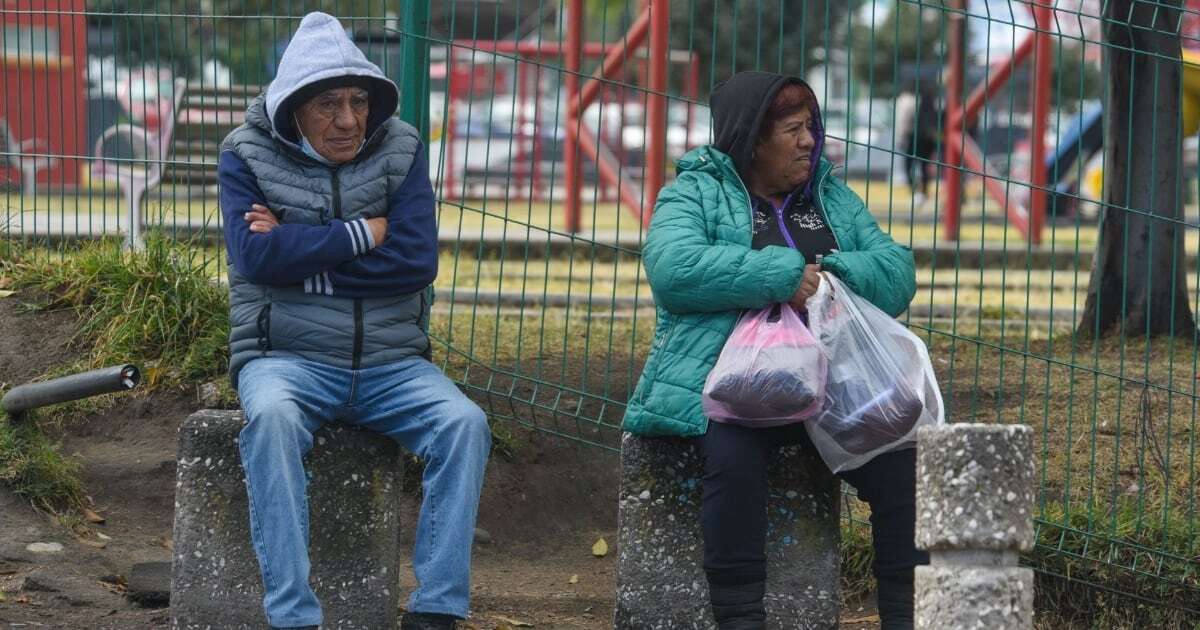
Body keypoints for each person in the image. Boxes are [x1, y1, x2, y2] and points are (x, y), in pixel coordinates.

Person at [623, 71, 929, 630]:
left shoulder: (829, 197)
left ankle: (905, 618)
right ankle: (742, 620)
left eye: (811, 126)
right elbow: (674, 269)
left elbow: (896, 272)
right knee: (733, 464)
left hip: (837, 380)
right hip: (733, 378)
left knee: (902, 462)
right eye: (792, 129)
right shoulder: (697, 191)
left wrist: (833, 270)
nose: (810, 140)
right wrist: (783, 273)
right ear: (751, 139)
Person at [218, 12, 490, 630]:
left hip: (393, 364)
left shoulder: (403, 147)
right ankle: (293, 616)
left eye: (358, 101)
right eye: (328, 105)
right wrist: (363, 233)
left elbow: (415, 262)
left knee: (464, 424)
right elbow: (255, 256)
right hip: (285, 359)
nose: (348, 120)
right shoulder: (245, 154)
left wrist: (303, 256)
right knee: (273, 420)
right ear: (293, 109)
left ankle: (436, 612)